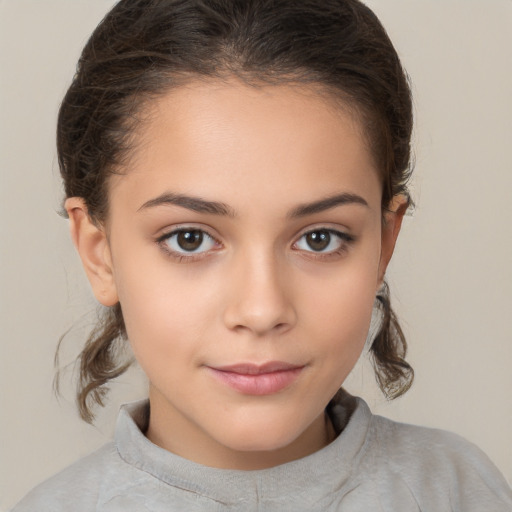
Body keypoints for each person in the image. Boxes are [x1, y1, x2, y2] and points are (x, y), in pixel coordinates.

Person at [11, 0, 512, 510]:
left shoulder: (460, 491)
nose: (262, 310)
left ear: (384, 244)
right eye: (190, 239)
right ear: (101, 255)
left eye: (320, 238)